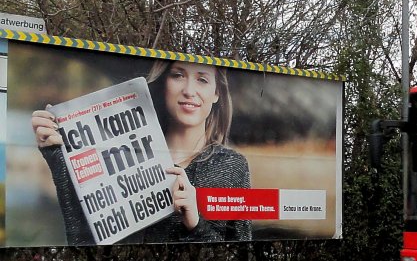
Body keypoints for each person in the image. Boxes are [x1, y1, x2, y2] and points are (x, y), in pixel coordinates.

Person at [32, 61, 252, 244]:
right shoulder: (121, 157)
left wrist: (195, 223)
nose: (189, 90)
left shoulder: (232, 166)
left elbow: (241, 256)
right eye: (178, 75)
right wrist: (57, 157)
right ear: (164, 83)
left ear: (217, 94)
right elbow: (81, 241)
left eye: (202, 79)